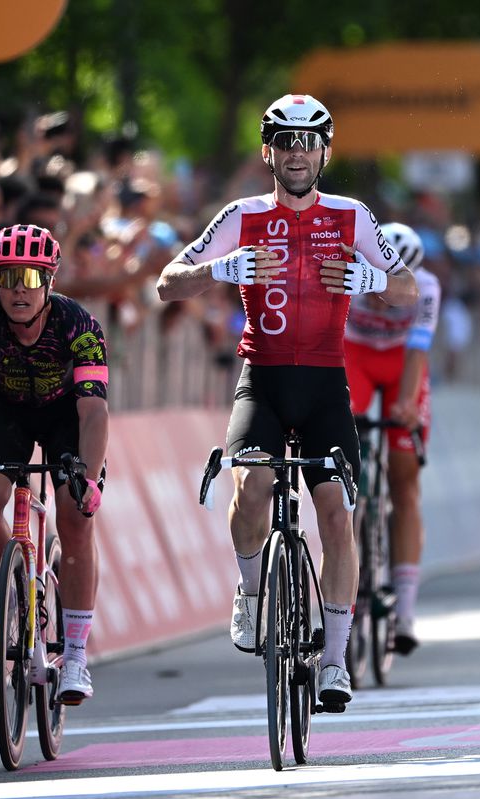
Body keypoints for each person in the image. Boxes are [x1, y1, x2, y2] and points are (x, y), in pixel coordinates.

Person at [155, 94, 418, 707]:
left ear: (325, 151)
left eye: (309, 142)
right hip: (263, 379)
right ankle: (250, 593)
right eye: (286, 141)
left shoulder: (351, 216)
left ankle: (333, 661)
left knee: (335, 513)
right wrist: (220, 270)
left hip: (325, 384)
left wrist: (374, 281)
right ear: (268, 151)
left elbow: (407, 288)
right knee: (252, 489)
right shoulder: (240, 215)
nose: (297, 153)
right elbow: (168, 282)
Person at [0, 224, 109, 704]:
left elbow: (94, 411)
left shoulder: (79, 324)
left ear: (49, 282)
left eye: (30, 278)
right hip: (4, 409)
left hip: (66, 414)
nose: (18, 291)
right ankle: (2, 598)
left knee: (75, 517)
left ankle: (74, 656)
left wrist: (87, 479)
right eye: (7, 278)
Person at [343, 222, 440, 655]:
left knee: (405, 482)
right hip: (356, 355)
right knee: (339, 452)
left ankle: (405, 610)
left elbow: (418, 348)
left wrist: (405, 407)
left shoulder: (428, 287)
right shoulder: (350, 271)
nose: (385, 305)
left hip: (402, 361)